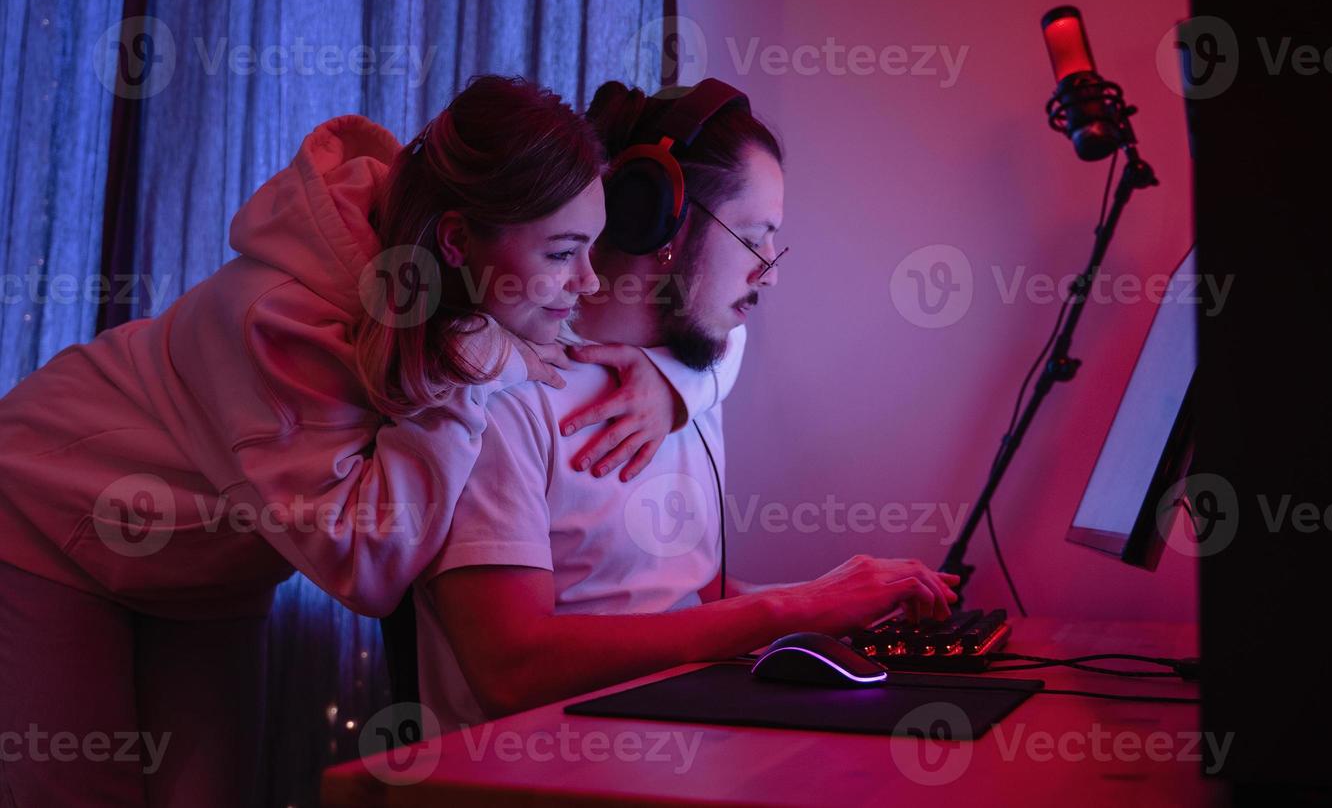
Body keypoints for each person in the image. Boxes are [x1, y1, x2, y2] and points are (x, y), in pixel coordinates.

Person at [0, 75, 733, 807]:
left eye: (593, 248)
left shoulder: (466, 277)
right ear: (455, 240)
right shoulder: (274, 322)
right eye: (563, 254)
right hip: (48, 516)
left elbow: (731, 315)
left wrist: (674, 382)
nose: (587, 283)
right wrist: (466, 375)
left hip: (202, 570)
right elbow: (369, 568)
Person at [414, 79, 959, 730]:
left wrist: (843, 602)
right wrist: (793, 610)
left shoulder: (685, 374)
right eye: (757, 238)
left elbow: (682, 602)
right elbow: (509, 669)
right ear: (665, 222)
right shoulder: (502, 392)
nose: (771, 269)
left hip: (673, 743)